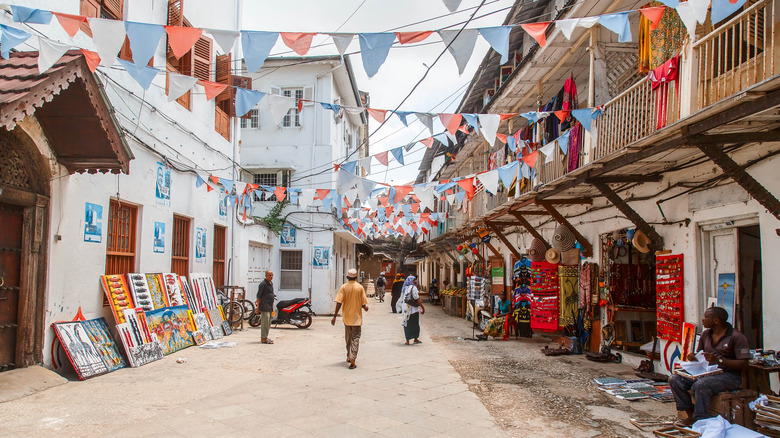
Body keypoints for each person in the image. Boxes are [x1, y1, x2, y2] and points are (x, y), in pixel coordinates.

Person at [668, 307, 750, 427]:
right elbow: (700, 354)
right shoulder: (706, 334)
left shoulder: (736, 336)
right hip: (706, 372)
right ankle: (690, 415)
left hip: (729, 375)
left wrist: (720, 360)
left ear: (716, 320)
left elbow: (743, 364)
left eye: (706, 317)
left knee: (700, 385)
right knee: (674, 379)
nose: (703, 320)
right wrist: (693, 357)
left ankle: (700, 418)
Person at [331, 268, 369, 369]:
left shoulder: (343, 287)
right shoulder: (360, 288)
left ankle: (349, 356)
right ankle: (353, 357)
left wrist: (334, 316)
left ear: (347, 277)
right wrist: (365, 307)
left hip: (347, 318)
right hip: (356, 318)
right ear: (356, 277)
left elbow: (339, 302)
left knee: (348, 338)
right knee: (355, 338)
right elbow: (363, 304)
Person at [398, 275, 425, 345]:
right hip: (413, 310)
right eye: (414, 280)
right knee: (415, 324)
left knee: (407, 324)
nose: (415, 281)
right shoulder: (413, 288)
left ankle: (407, 340)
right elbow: (417, 299)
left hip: (406, 310)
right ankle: (415, 339)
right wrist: (422, 307)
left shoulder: (404, 288)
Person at [255, 270, 275, 344]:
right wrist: (258, 308)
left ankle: (266, 337)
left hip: (270, 306)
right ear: (266, 275)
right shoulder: (263, 284)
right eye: (270, 275)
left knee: (269, 322)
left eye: (272, 275)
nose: (271, 277)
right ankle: (263, 338)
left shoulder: (270, 284)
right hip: (264, 305)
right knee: (265, 322)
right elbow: (258, 297)